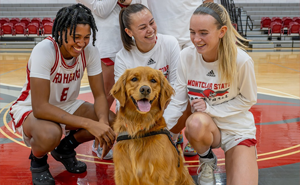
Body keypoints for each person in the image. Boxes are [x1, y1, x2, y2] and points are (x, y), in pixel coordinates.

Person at [9, 4, 116, 185]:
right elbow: (41, 107)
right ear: (60, 32)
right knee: (51, 133)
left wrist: (103, 124)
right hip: (31, 108)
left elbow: (99, 96)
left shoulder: (89, 51)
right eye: (76, 37)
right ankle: (38, 162)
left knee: (111, 121)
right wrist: (90, 124)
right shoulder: (45, 50)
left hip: (67, 104)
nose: (81, 43)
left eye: (86, 37)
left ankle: (65, 148)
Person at [163, 2, 258, 185]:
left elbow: (248, 99)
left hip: (236, 129)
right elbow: (177, 102)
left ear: (222, 31)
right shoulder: (186, 56)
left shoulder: (241, 61)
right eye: (192, 32)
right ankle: (206, 160)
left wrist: (210, 108)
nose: (196, 39)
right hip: (205, 127)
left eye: (203, 33)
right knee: (196, 121)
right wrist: (162, 130)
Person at [147, 0, 221, 156]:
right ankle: (172, 132)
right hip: (161, 36)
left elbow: (209, 4)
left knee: (194, 92)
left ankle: (193, 135)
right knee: (166, 92)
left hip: (192, 36)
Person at [75, 0, 146, 160]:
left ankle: (127, 139)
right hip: (107, 45)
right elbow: (102, 10)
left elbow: (137, 5)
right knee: (106, 96)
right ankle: (99, 142)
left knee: (131, 96)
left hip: (129, 43)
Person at [114, 3, 180, 107]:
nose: (150, 29)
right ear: (129, 32)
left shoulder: (170, 43)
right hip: (137, 111)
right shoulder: (122, 58)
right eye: (143, 27)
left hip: (166, 106)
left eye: (152, 22)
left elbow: (177, 87)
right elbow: (121, 99)